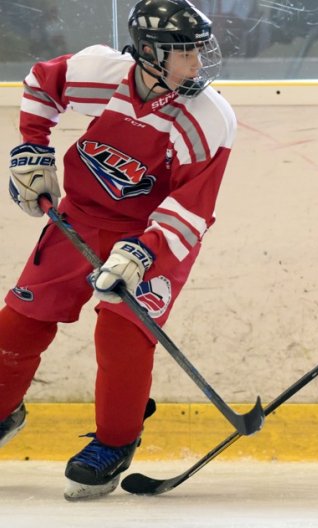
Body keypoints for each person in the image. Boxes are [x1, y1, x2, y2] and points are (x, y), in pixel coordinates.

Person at [0, 0, 236, 500]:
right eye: (183, 53)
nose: (197, 64)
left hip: (154, 235)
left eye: (199, 50)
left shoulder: (208, 118)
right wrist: (32, 147)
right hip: (80, 221)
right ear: (149, 52)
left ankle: (114, 442)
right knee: (19, 323)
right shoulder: (101, 74)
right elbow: (42, 83)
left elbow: (191, 210)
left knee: (121, 334)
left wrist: (141, 255)